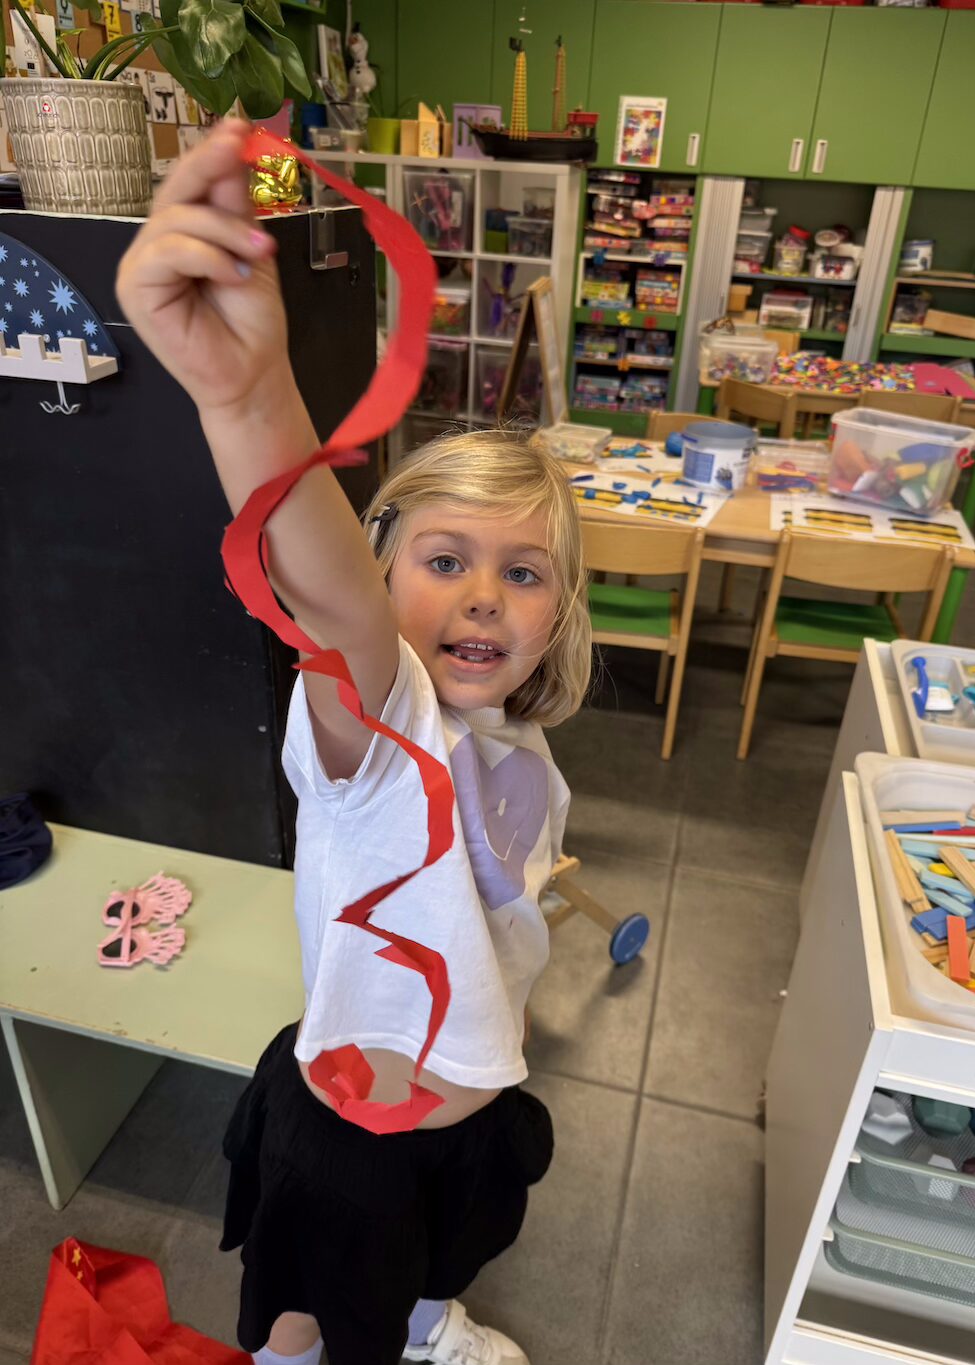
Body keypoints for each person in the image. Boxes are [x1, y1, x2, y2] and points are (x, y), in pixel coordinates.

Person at [115, 119, 592, 1365]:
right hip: (351, 1140)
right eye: (443, 561)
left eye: (522, 574)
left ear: (558, 616)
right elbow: (327, 599)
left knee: (434, 1261)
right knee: (313, 1297)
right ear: (382, 581)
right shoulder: (383, 728)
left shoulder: (510, 740)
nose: (482, 598)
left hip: (466, 1111)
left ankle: (433, 1320)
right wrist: (249, 397)